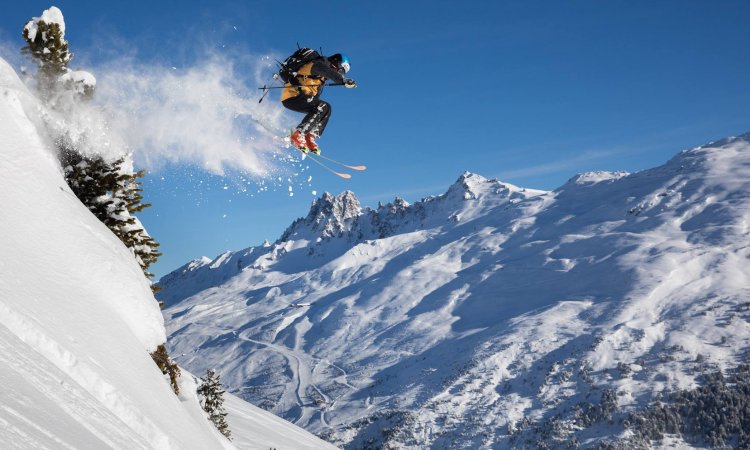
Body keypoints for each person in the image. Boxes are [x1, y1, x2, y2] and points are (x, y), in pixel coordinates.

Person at [281, 52, 356, 154]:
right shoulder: (318, 64)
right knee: (322, 106)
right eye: (341, 70)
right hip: (292, 96)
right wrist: (342, 80)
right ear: (336, 63)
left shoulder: (321, 78)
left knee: (327, 108)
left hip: (303, 98)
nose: (339, 72)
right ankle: (298, 134)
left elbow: (316, 98)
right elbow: (327, 71)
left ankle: (310, 136)